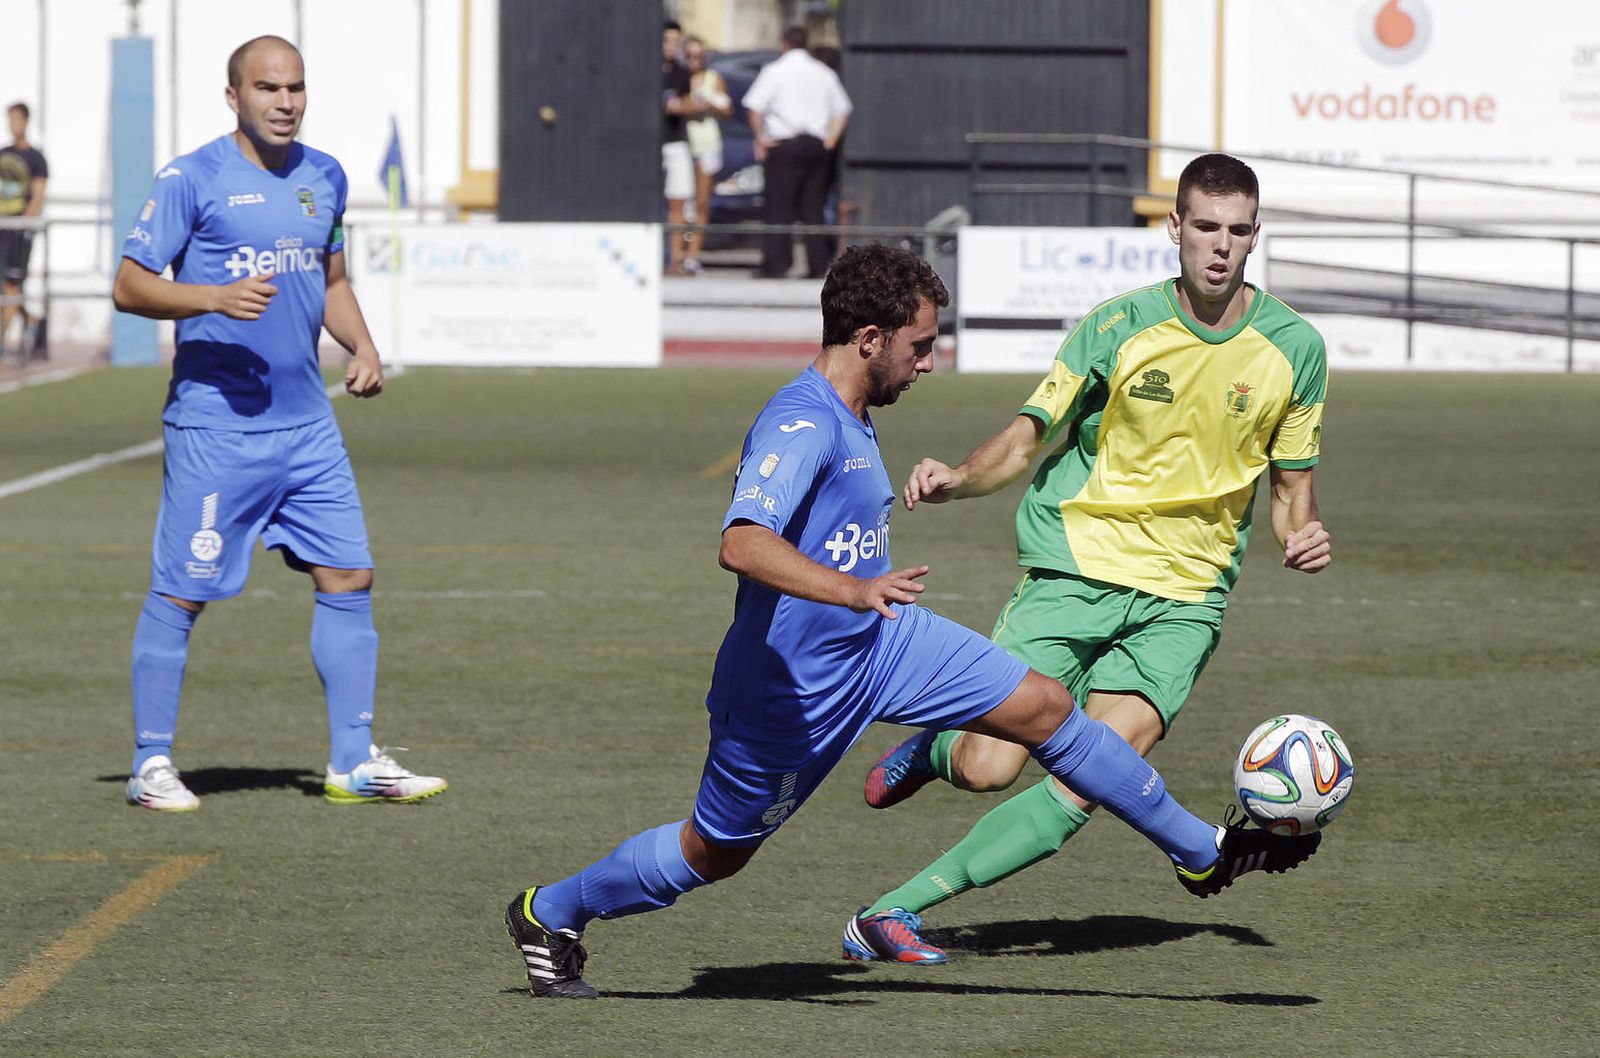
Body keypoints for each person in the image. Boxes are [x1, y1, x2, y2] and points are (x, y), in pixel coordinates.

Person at [502, 242, 1320, 1000]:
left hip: (886, 643)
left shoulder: (854, 415)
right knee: (713, 853)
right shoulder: (802, 421)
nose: (930, 361)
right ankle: (552, 912)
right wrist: (854, 591)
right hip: (794, 690)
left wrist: (868, 602)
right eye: (920, 345)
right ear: (868, 338)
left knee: (1041, 706)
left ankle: (1202, 855)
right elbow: (742, 544)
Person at [845, 153, 1332, 964]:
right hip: (1076, 569)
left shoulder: (1294, 349)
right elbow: (1030, 436)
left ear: (1255, 237)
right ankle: (937, 749)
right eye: (1204, 227)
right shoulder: (1118, 327)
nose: (1219, 246)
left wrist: (1300, 536)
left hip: (1186, 597)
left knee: (1087, 783)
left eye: (1237, 231)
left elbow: (1292, 491)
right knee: (989, 765)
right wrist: (960, 477)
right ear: (1174, 228)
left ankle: (892, 912)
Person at [112, 35, 446, 811]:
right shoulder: (191, 178)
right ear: (234, 97)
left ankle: (353, 761)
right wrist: (210, 298)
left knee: (349, 576)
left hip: (308, 429)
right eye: (267, 88)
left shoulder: (324, 175)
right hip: (215, 429)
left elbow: (330, 278)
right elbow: (129, 285)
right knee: (182, 591)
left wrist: (360, 344)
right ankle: (150, 764)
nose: (285, 101)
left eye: (295, 87)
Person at [742, 26, 850, 279]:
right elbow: (842, 108)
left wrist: (760, 138)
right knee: (813, 206)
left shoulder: (775, 71)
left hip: (785, 144)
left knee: (779, 206)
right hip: (817, 146)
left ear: (783, 44)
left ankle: (777, 265)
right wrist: (831, 138)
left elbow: (754, 105)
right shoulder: (823, 72)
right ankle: (816, 265)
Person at [0, 101, 49, 359]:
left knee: (11, 286)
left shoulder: (35, 158)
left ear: (26, 121)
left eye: (17, 119)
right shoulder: (3, 153)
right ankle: (31, 320)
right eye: (9, 119)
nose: (12, 125)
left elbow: (38, 197)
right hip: (1, 228)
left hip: (18, 232)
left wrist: (24, 225)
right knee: (7, 290)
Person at [681, 35, 732, 275]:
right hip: (682, 143)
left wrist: (710, 104)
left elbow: (728, 109)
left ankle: (693, 256)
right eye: (689, 56)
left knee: (701, 203)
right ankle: (677, 253)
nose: (694, 61)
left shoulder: (714, 79)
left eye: (699, 56)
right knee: (679, 201)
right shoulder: (679, 78)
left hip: (707, 145)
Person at [661, 20, 695, 276]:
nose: (671, 47)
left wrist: (684, 106)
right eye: (667, 41)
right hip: (652, 144)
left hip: (675, 142)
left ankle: (676, 259)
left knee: (678, 201)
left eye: (676, 42)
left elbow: (688, 102)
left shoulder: (682, 73)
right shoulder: (645, 70)